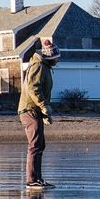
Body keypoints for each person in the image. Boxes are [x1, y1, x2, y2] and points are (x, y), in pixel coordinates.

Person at [18, 39, 60, 188]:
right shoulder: (39, 66)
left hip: (35, 110)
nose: (58, 59)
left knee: (40, 144)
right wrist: (44, 106)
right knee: (35, 145)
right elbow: (33, 88)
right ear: (50, 57)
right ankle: (31, 180)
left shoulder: (45, 67)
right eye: (57, 57)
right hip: (29, 110)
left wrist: (45, 113)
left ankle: (38, 178)